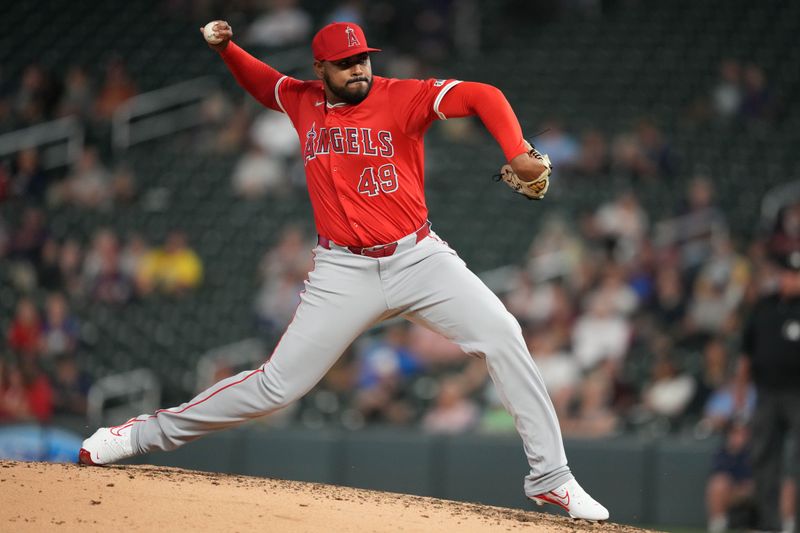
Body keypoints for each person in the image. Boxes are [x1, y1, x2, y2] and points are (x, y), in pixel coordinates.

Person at [78, 21, 609, 521]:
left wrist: (515, 149)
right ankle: (139, 436)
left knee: (504, 334)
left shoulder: (403, 95)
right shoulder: (302, 100)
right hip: (342, 271)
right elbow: (265, 85)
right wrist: (226, 51)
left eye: (363, 59)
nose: (359, 69)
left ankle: (550, 476)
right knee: (276, 388)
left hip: (419, 258)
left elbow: (483, 95)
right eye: (345, 63)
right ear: (321, 70)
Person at [735, 250, 800, 532]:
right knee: (763, 458)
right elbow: (747, 354)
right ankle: (768, 524)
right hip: (767, 394)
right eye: (787, 273)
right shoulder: (764, 306)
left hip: (798, 394)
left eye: (796, 275)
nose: (791, 279)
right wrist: (740, 391)